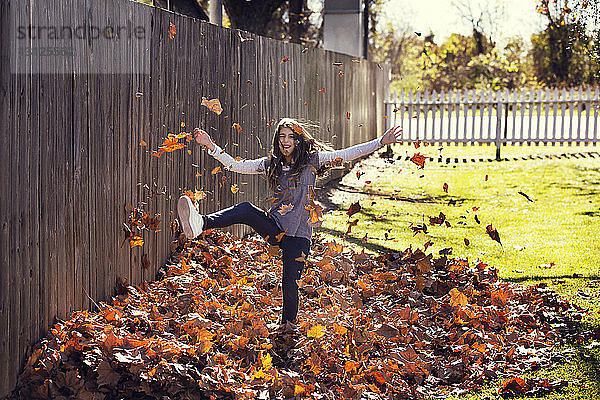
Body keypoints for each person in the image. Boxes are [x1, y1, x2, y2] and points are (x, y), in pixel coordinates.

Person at [178, 118, 403, 325]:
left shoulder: (312, 161)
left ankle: (287, 328)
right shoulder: (271, 164)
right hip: (276, 229)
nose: (286, 141)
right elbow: (237, 165)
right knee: (246, 209)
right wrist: (210, 145)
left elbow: (347, 154)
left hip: (300, 237)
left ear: (298, 139)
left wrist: (380, 141)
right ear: (277, 140)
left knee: (290, 284)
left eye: (290, 137)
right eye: (282, 137)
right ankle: (201, 223)